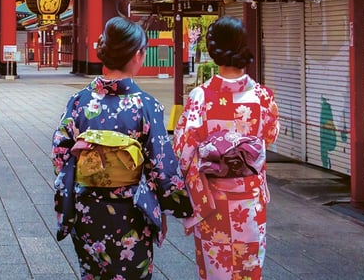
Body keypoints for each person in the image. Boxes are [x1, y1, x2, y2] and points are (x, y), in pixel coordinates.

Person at [51, 16, 191, 279]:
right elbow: (162, 165)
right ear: (138, 55)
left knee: (93, 274)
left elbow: (60, 153)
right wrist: (181, 207)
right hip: (132, 212)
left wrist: (87, 170)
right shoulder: (146, 106)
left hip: (87, 209)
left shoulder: (79, 101)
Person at [173, 16, 280, 280]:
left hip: (213, 200)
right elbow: (269, 136)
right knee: (248, 269)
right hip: (250, 200)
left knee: (215, 270)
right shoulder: (262, 97)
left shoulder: (201, 96)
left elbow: (183, 149)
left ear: (213, 50)